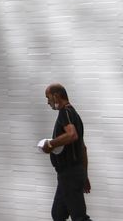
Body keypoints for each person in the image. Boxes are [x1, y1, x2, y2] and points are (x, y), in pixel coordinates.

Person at [41, 83, 91, 221]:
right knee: (58, 214)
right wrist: (84, 175)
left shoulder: (66, 112)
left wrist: (50, 144)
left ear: (56, 96)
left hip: (70, 174)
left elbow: (72, 135)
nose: (48, 102)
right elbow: (83, 148)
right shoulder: (75, 115)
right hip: (69, 175)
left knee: (79, 217)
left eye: (48, 97)